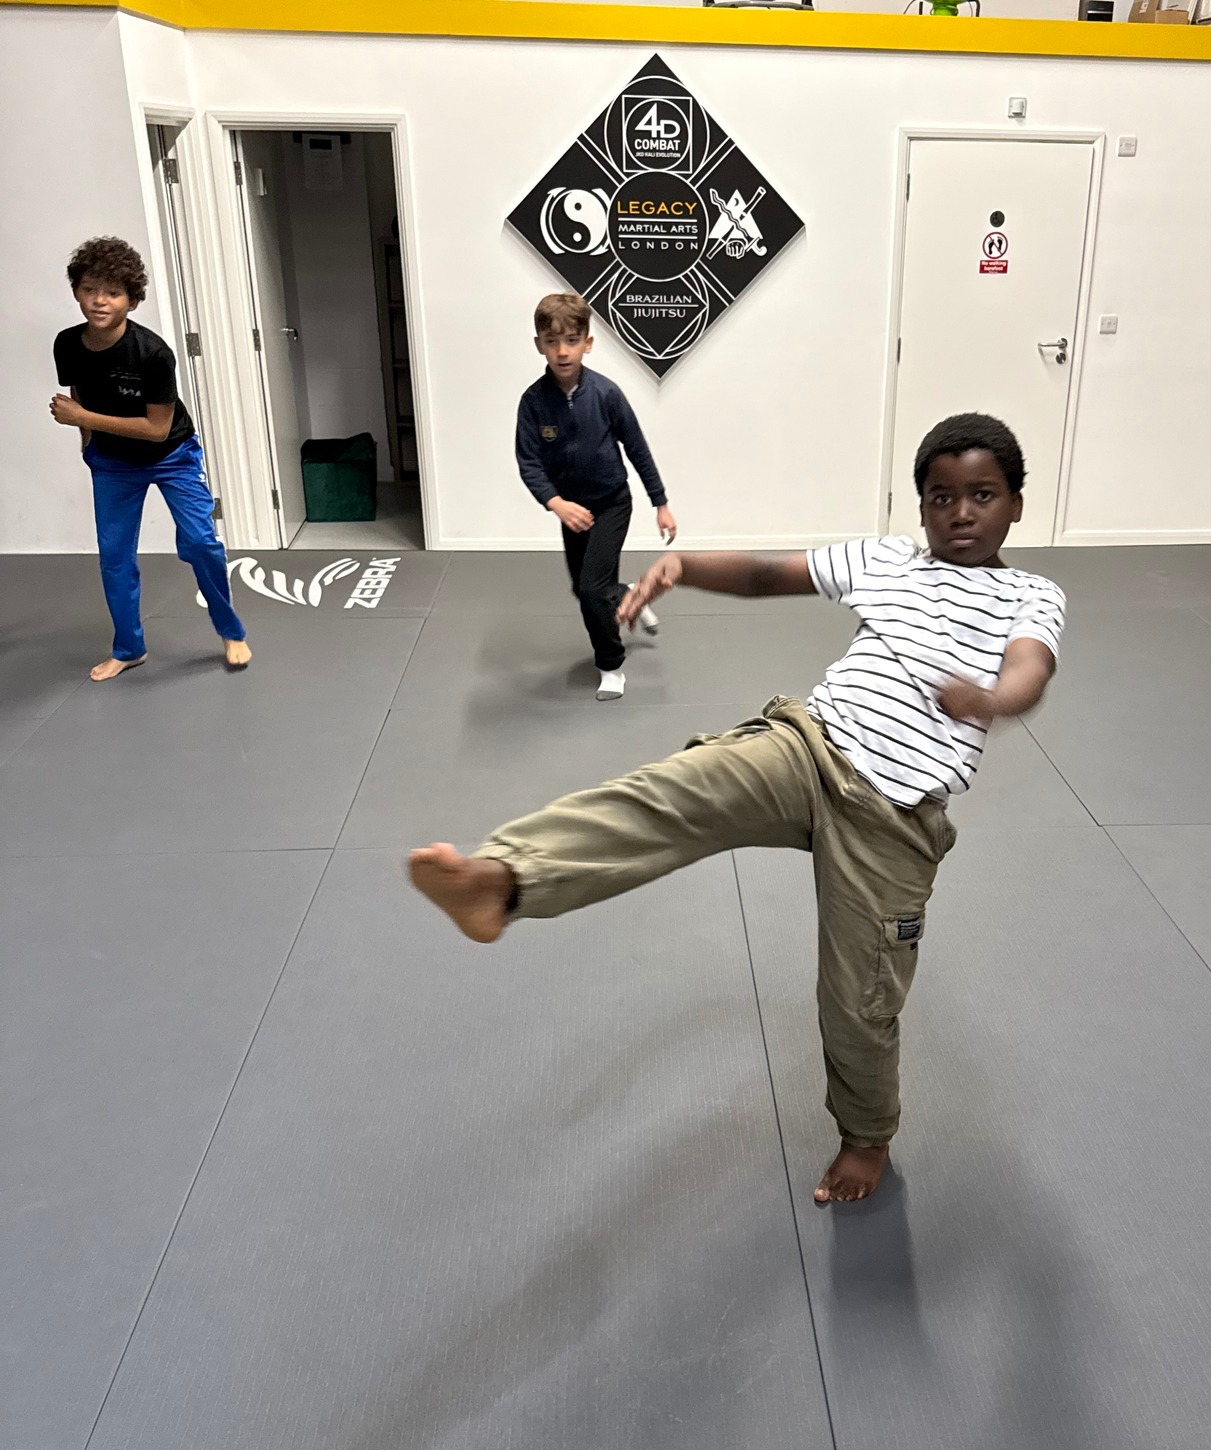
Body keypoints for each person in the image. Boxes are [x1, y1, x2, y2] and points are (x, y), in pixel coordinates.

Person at [411, 414, 1065, 1203]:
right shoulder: (888, 560)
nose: (961, 513)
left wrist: (994, 697)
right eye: (941, 497)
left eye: (983, 496)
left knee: (859, 1000)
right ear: (920, 507)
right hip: (811, 748)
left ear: (1017, 505)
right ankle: (505, 879)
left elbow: (1031, 667)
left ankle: (867, 1139)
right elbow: (764, 574)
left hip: (893, 821)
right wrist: (684, 564)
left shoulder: (1030, 594)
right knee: (674, 791)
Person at [49, 236, 249, 681]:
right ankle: (129, 648)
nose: (99, 301)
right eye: (89, 289)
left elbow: (156, 428)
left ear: (132, 300)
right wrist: (88, 443)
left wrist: (83, 418)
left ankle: (231, 631)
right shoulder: (67, 344)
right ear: (76, 290)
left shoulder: (153, 353)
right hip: (112, 463)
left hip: (171, 455)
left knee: (201, 544)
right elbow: (80, 392)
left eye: (113, 292)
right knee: (114, 557)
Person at [515, 292, 677, 701]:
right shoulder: (533, 403)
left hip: (611, 503)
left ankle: (611, 665)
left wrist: (661, 504)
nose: (562, 351)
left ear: (588, 343)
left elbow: (636, 449)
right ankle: (626, 594)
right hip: (571, 511)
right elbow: (529, 462)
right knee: (586, 589)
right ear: (539, 345)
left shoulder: (606, 394)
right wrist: (556, 502)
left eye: (571, 340)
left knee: (590, 589)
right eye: (552, 342)